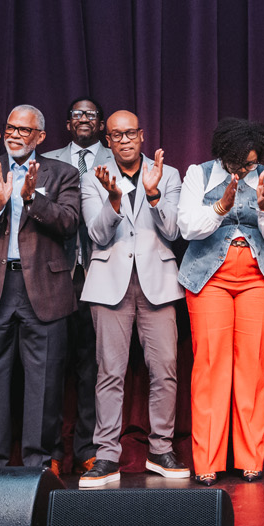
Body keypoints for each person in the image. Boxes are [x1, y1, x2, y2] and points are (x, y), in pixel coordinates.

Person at [0, 105, 82, 470]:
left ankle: (39, 465)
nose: (14, 134)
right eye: (10, 128)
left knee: (44, 381)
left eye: (24, 130)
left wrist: (31, 198)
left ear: (40, 137)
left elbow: (69, 222)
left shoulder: (63, 173)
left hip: (44, 289)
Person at [76, 111, 189, 486]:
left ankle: (160, 448)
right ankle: (107, 454)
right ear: (106, 141)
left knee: (166, 369)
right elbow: (96, 234)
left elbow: (173, 229)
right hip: (109, 284)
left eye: (129, 133)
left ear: (141, 135)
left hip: (158, 281)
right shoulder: (94, 177)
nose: (123, 140)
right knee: (109, 371)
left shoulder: (169, 174)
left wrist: (154, 193)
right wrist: (112, 200)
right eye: (115, 135)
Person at [179, 119, 264, 483]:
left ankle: (250, 457)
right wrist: (219, 208)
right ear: (223, 154)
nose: (245, 170)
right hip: (209, 277)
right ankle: (208, 463)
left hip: (257, 279)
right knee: (211, 367)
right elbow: (187, 227)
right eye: (238, 164)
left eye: (250, 164)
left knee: (253, 368)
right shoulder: (200, 174)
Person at [44, 97, 109, 462]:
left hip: (98, 273)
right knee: (49, 366)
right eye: (77, 114)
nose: (84, 119)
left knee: (92, 366)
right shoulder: (48, 160)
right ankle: (50, 450)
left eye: (91, 114)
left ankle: (88, 448)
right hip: (54, 274)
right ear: (67, 123)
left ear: (101, 124)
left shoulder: (116, 159)